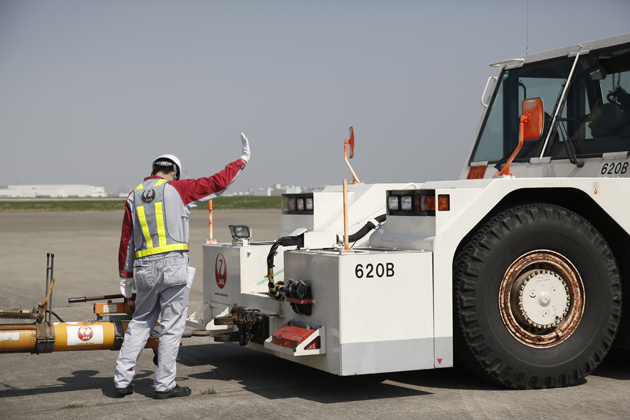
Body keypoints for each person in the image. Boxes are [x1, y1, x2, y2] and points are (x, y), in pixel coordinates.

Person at [114, 133, 250, 399]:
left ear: (152, 171)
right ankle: (164, 385)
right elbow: (217, 183)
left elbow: (126, 239)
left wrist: (125, 274)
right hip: (173, 267)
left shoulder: (134, 195)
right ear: (173, 173)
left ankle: (121, 381)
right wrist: (242, 160)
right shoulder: (176, 189)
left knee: (140, 323)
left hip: (143, 269)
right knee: (172, 327)